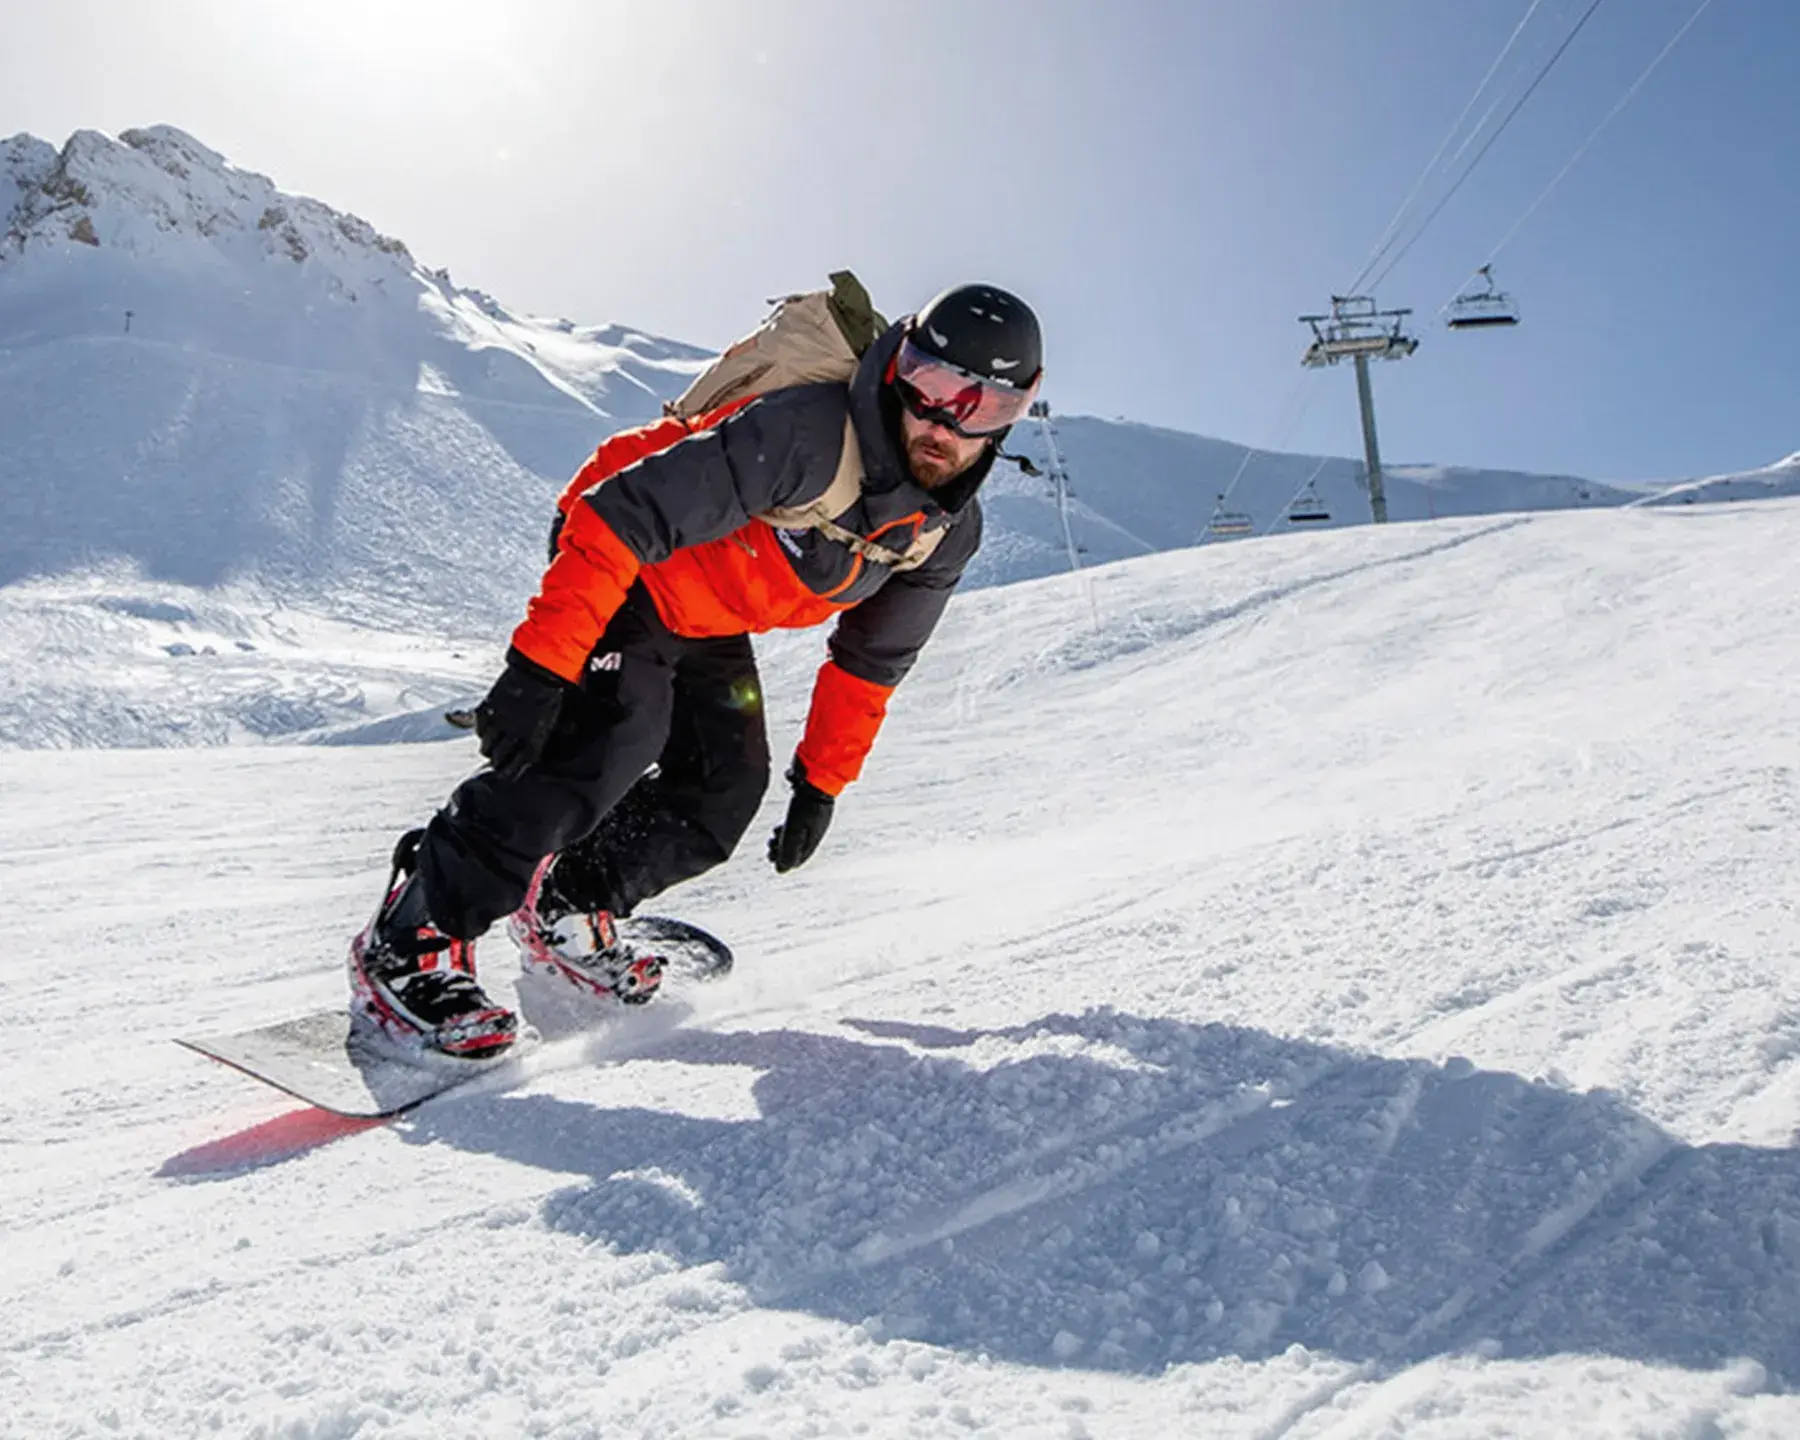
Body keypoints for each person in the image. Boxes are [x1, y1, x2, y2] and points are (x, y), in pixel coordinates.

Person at [347, 283, 1043, 1059]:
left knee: (723, 787)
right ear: (899, 367)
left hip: (708, 606)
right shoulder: (809, 434)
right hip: (627, 553)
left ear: (1017, 415)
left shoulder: (943, 534)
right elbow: (621, 513)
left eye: (981, 407)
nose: (944, 420)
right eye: (932, 385)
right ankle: (412, 935)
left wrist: (821, 783)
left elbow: (872, 661)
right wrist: (541, 665)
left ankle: (571, 905)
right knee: (608, 740)